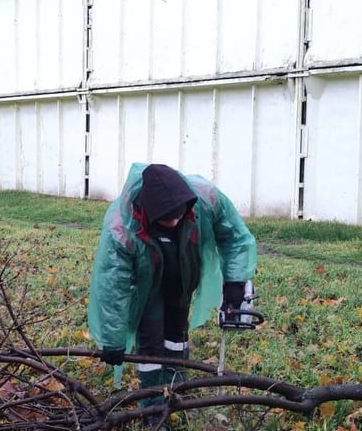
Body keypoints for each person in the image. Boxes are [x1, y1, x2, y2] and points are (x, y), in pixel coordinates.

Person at [88, 163, 257, 409]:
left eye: (180, 215)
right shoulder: (121, 227)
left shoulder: (205, 198)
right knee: (151, 339)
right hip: (146, 283)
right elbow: (112, 285)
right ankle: (154, 404)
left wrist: (235, 280)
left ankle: (177, 388)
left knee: (177, 333)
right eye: (169, 219)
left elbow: (235, 237)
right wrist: (112, 340)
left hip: (182, 274)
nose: (176, 221)